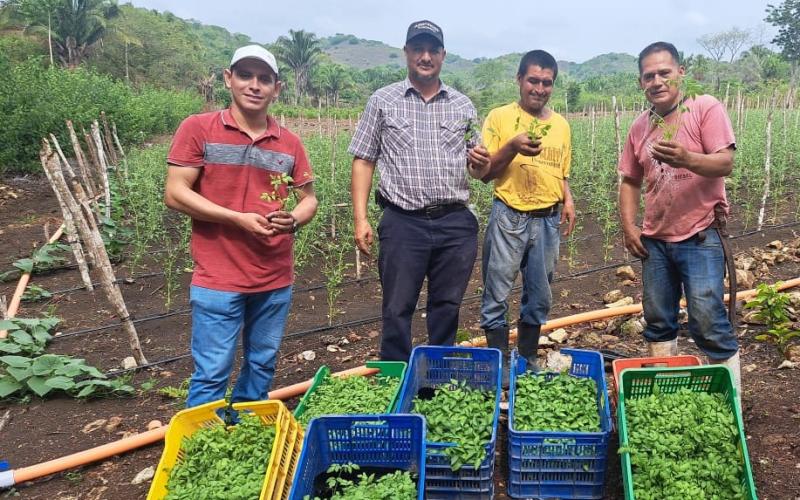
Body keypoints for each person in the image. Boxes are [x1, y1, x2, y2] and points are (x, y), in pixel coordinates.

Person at [164, 44, 318, 409]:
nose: (255, 85)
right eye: (246, 76)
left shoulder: (289, 143)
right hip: (218, 276)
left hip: (274, 276)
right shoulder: (199, 129)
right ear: (228, 79)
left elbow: (308, 198)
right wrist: (236, 218)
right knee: (212, 371)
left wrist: (292, 219)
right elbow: (175, 193)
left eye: (264, 79)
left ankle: (249, 432)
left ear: (276, 88)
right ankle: (203, 443)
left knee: (262, 365)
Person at [349, 20, 491, 362]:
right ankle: (396, 378)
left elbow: (479, 170)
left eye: (432, 50)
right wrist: (360, 218)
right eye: (418, 49)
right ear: (407, 53)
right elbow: (363, 160)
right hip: (402, 221)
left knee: (447, 305)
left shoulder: (462, 105)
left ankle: (435, 379)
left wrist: (482, 162)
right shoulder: (382, 101)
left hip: (455, 222)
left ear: (443, 55)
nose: (425, 56)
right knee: (397, 307)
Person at [618, 41, 740, 395]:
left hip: (700, 234)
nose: (656, 81)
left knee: (708, 321)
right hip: (655, 241)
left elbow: (725, 162)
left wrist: (687, 158)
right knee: (657, 321)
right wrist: (629, 226)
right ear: (641, 82)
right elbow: (629, 180)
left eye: (664, 73)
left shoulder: (704, 108)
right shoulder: (640, 126)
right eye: (648, 76)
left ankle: (728, 402)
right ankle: (664, 397)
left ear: (680, 73)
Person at [479, 50, 576, 375]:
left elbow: (561, 172)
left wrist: (568, 199)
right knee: (497, 292)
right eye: (533, 80)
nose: (539, 88)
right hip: (509, 215)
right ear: (519, 80)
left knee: (539, 295)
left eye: (547, 83)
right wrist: (512, 146)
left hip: (547, 220)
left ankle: (527, 360)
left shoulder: (561, 125)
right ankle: (498, 368)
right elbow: (485, 172)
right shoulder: (499, 118)